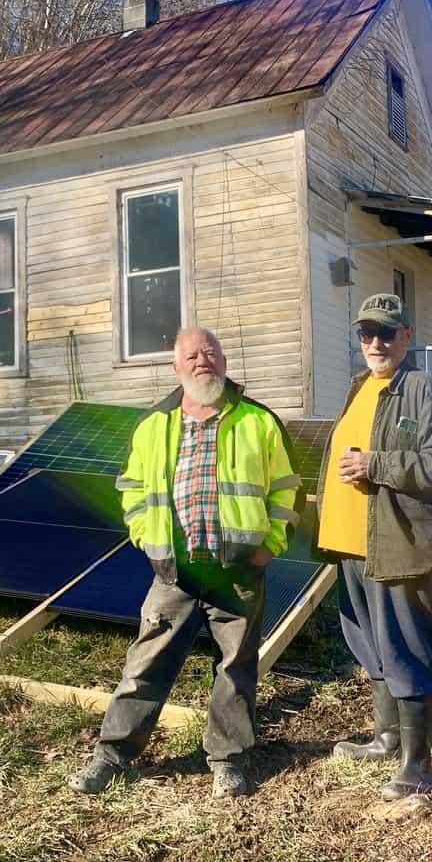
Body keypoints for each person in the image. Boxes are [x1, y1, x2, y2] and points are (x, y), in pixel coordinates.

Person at [68, 327, 301, 800]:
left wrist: (268, 546)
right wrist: (144, 536)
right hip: (174, 573)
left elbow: (288, 490)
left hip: (237, 572)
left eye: (211, 353)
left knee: (235, 669)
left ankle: (228, 761)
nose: (203, 361)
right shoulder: (153, 425)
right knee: (145, 664)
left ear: (225, 361)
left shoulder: (259, 422)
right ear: (176, 368)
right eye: (192, 356)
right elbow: (131, 489)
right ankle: (111, 757)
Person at [315, 293, 432, 800]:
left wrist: (376, 464)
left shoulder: (422, 390)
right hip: (350, 545)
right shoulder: (361, 388)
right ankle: (387, 738)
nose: (375, 342)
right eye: (366, 334)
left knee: (405, 648)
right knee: (372, 647)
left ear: (406, 337)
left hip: (398, 545)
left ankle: (418, 765)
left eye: (386, 333)